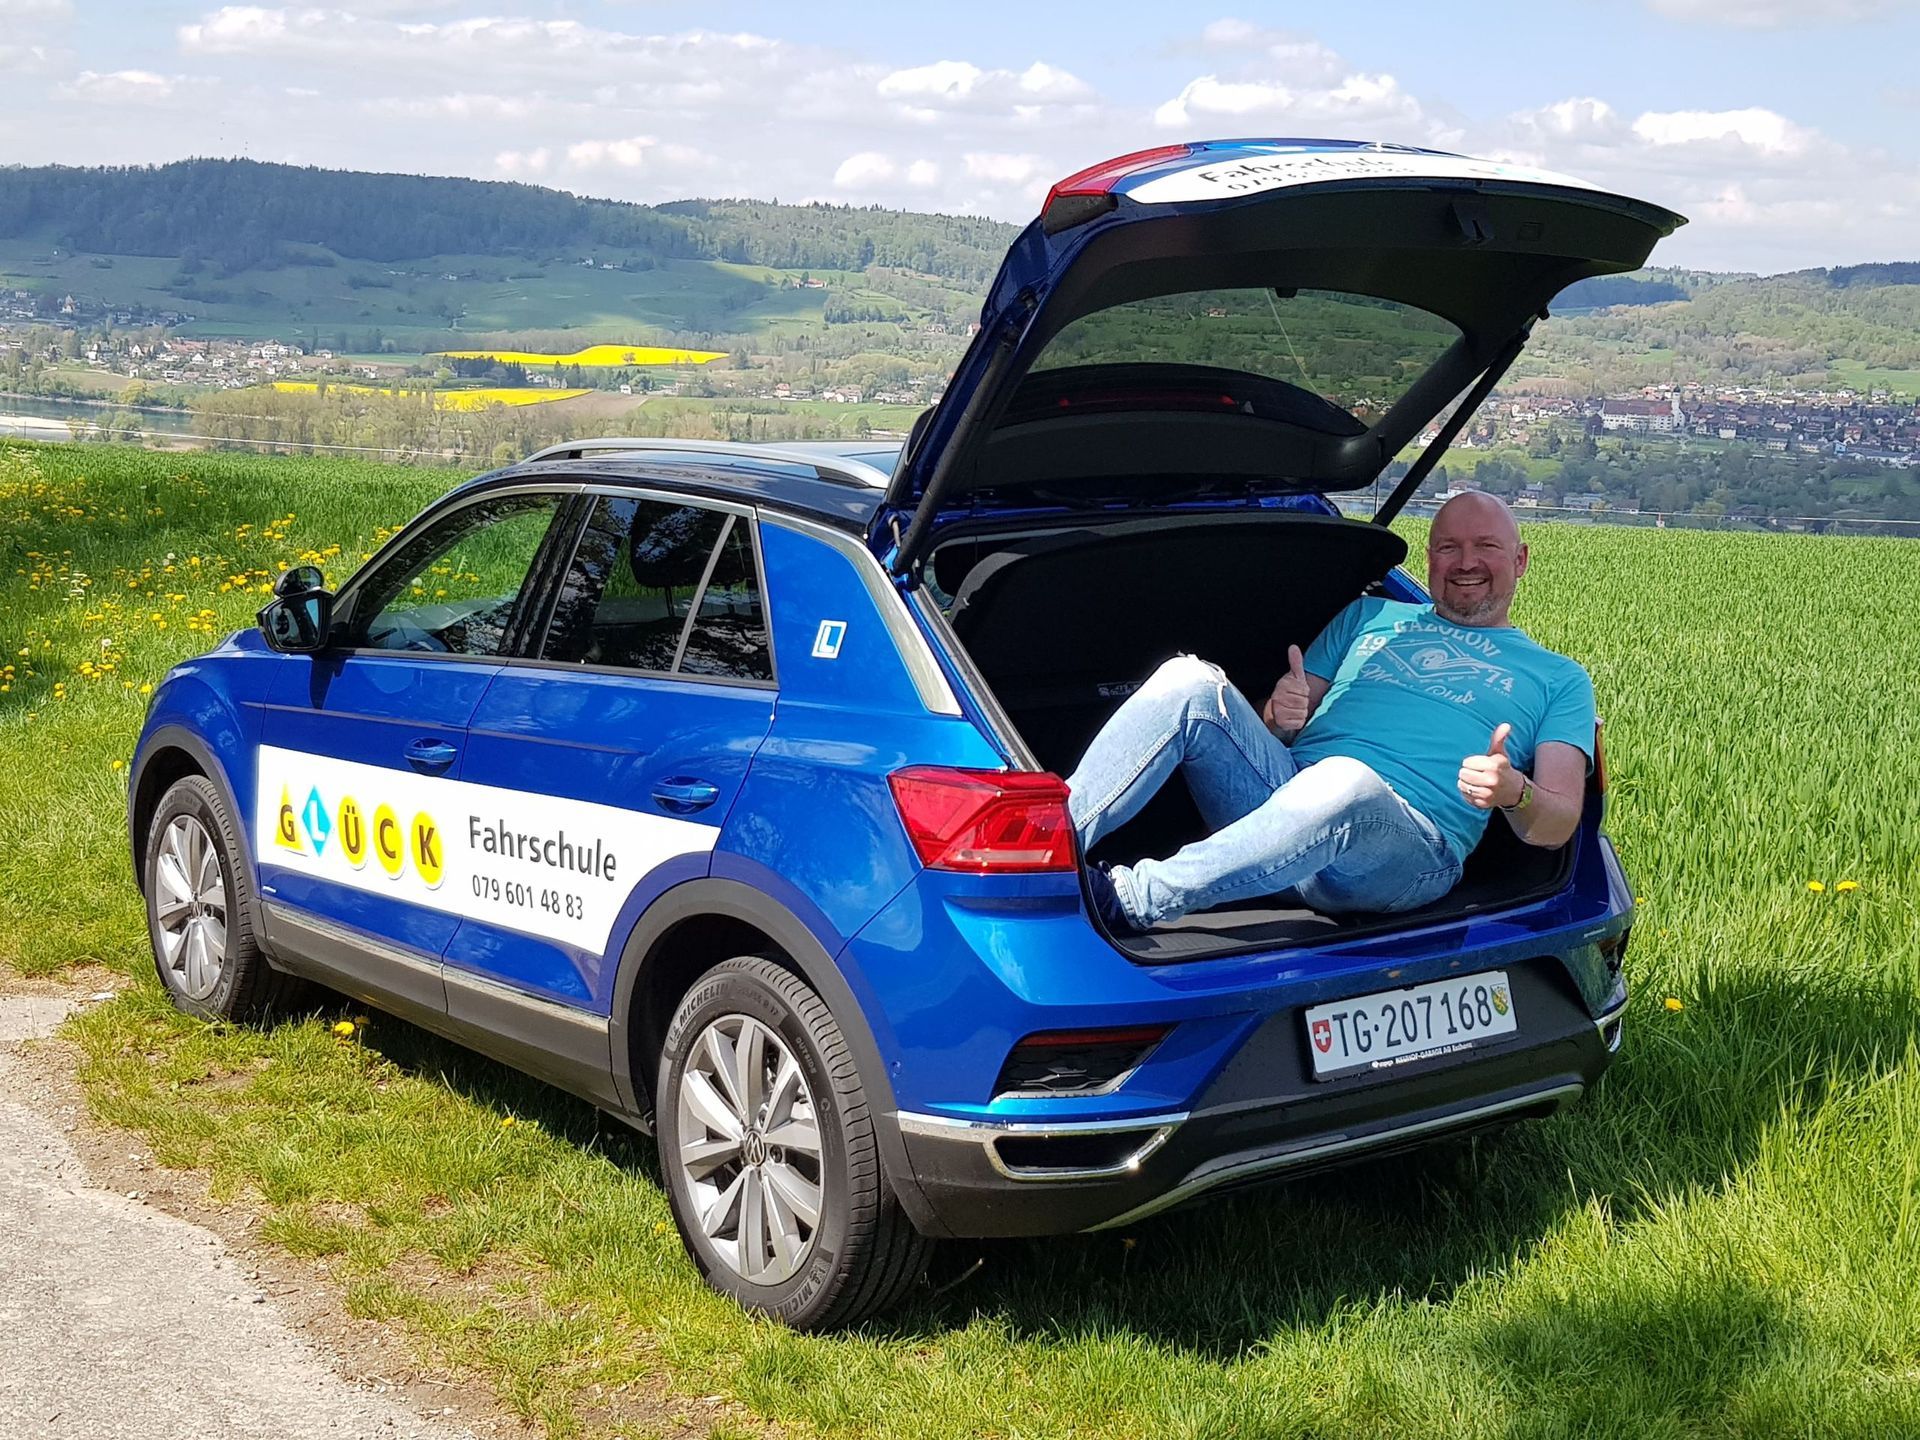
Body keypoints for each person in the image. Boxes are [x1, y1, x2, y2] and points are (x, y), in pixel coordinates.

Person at [1068, 492, 1596, 932]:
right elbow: (1278, 719)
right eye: (1448, 547)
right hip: (1282, 805)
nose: (1465, 562)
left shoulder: (1558, 677)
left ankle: (1130, 898)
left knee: (1345, 781)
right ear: (1429, 558)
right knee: (1189, 679)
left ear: (1521, 560)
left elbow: (1557, 822)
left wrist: (1513, 792)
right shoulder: (1370, 615)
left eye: (1486, 546)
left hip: (1405, 854)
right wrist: (1277, 715)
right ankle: (1057, 845)